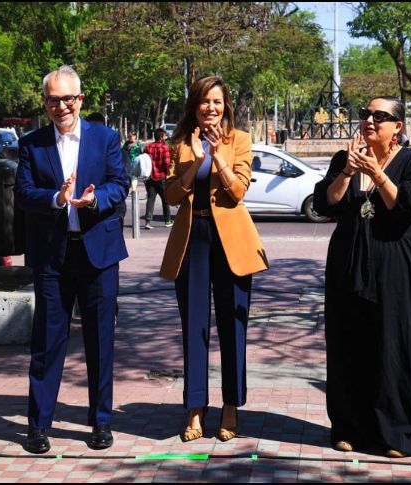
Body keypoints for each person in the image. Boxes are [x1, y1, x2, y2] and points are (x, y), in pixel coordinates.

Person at [312, 96, 411, 458]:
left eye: (380, 116)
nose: (370, 120)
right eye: (365, 114)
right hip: (350, 264)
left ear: (397, 126)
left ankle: (399, 434)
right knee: (350, 346)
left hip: (404, 268)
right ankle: (350, 428)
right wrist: (349, 172)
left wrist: (377, 173)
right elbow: (326, 204)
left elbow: (407, 207)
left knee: (399, 347)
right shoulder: (345, 160)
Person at [14, 65, 129, 454]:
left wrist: (96, 198)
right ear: (44, 103)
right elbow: (23, 192)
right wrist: (56, 199)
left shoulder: (106, 138)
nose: (60, 106)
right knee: (47, 342)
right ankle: (38, 426)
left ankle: (100, 422)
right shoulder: (32, 144)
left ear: (80, 99)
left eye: (67, 98)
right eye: (52, 99)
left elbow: (120, 184)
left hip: (97, 251)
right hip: (52, 255)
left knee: (100, 341)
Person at [159, 76, 268, 443]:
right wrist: (194, 162)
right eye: (205, 101)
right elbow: (172, 196)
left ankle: (231, 407)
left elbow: (237, 192)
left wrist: (219, 158)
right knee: (194, 328)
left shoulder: (240, 140)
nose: (211, 108)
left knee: (232, 328)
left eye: (217, 102)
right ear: (195, 106)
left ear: (226, 106)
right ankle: (194, 408)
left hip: (231, 243)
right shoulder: (182, 143)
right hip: (193, 240)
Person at [142, 128, 172, 229]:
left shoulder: (148, 147)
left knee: (150, 199)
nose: (166, 137)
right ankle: (167, 220)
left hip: (150, 178)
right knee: (165, 200)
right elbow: (167, 163)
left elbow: (143, 160)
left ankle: (148, 222)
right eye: (165, 135)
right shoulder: (164, 147)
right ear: (161, 137)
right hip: (162, 177)